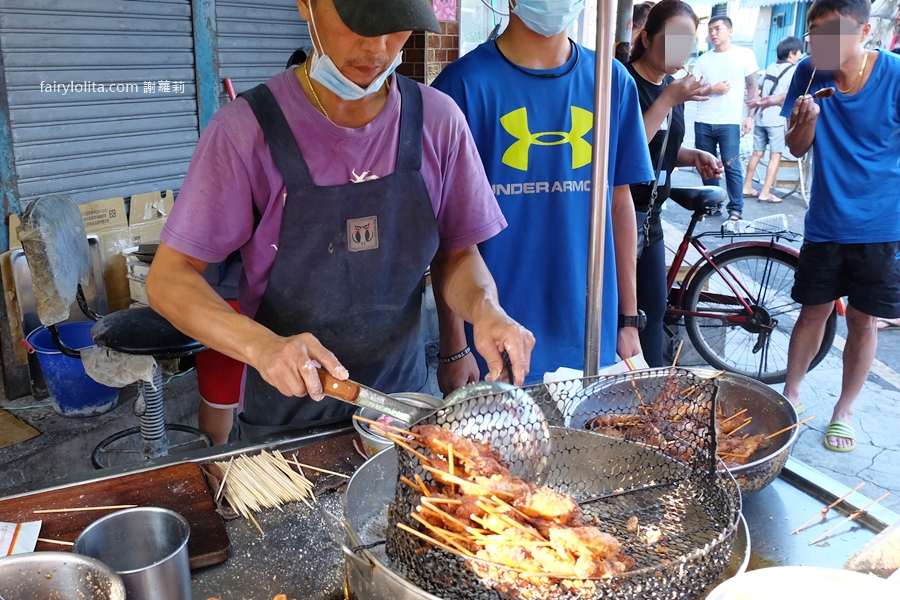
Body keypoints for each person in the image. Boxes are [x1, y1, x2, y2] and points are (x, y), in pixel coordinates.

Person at [145, 0, 535, 440]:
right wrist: (263, 346)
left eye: (395, 26)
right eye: (358, 23)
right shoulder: (246, 130)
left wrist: (486, 310)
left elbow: (458, 255)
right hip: (283, 423)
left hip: (402, 414)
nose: (377, 48)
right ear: (305, 6)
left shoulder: (439, 122)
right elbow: (169, 279)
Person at [431, 0, 654, 391]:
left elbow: (620, 205)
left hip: (589, 337)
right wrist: (453, 347)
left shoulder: (611, 82)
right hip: (491, 346)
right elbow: (443, 234)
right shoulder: (460, 88)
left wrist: (629, 322)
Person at [781, 0, 900, 452]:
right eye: (814, 30)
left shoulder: (894, 74)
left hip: (882, 225)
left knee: (865, 321)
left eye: (832, 31)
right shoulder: (809, 73)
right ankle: (790, 396)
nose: (820, 42)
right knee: (813, 311)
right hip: (826, 220)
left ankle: (844, 410)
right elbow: (796, 148)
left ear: (864, 31)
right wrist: (805, 122)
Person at [626, 0, 723, 367]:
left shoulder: (672, 89)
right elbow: (626, 151)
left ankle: (647, 396)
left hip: (650, 222)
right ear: (648, 38)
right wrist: (668, 98)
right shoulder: (625, 82)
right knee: (622, 317)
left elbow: (662, 143)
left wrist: (693, 155)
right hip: (617, 218)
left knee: (653, 311)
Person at [691, 16, 760, 222]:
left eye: (717, 29)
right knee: (706, 165)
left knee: (732, 165)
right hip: (703, 120)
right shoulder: (703, 60)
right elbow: (692, 90)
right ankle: (712, 204)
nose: (712, 33)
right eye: (710, 30)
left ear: (730, 31)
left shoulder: (744, 55)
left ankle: (736, 208)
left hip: (729, 122)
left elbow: (752, 88)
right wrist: (713, 88)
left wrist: (749, 117)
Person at [742, 36, 803, 203]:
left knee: (757, 153)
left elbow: (758, 88)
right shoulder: (795, 70)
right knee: (775, 155)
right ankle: (766, 192)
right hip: (777, 118)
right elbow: (790, 95)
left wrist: (751, 114)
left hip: (761, 117)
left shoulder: (771, 66)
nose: (800, 56)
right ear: (792, 53)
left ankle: (747, 186)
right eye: (799, 52)